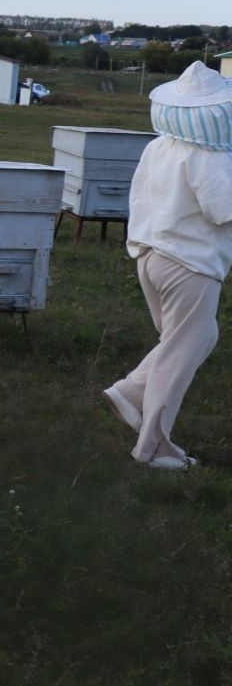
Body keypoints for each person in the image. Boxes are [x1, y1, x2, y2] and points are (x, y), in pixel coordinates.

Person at [102, 62, 232, 470]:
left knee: (198, 336)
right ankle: (153, 447)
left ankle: (132, 391)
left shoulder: (158, 146)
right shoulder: (207, 157)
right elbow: (224, 211)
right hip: (189, 264)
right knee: (180, 350)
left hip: (151, 257)